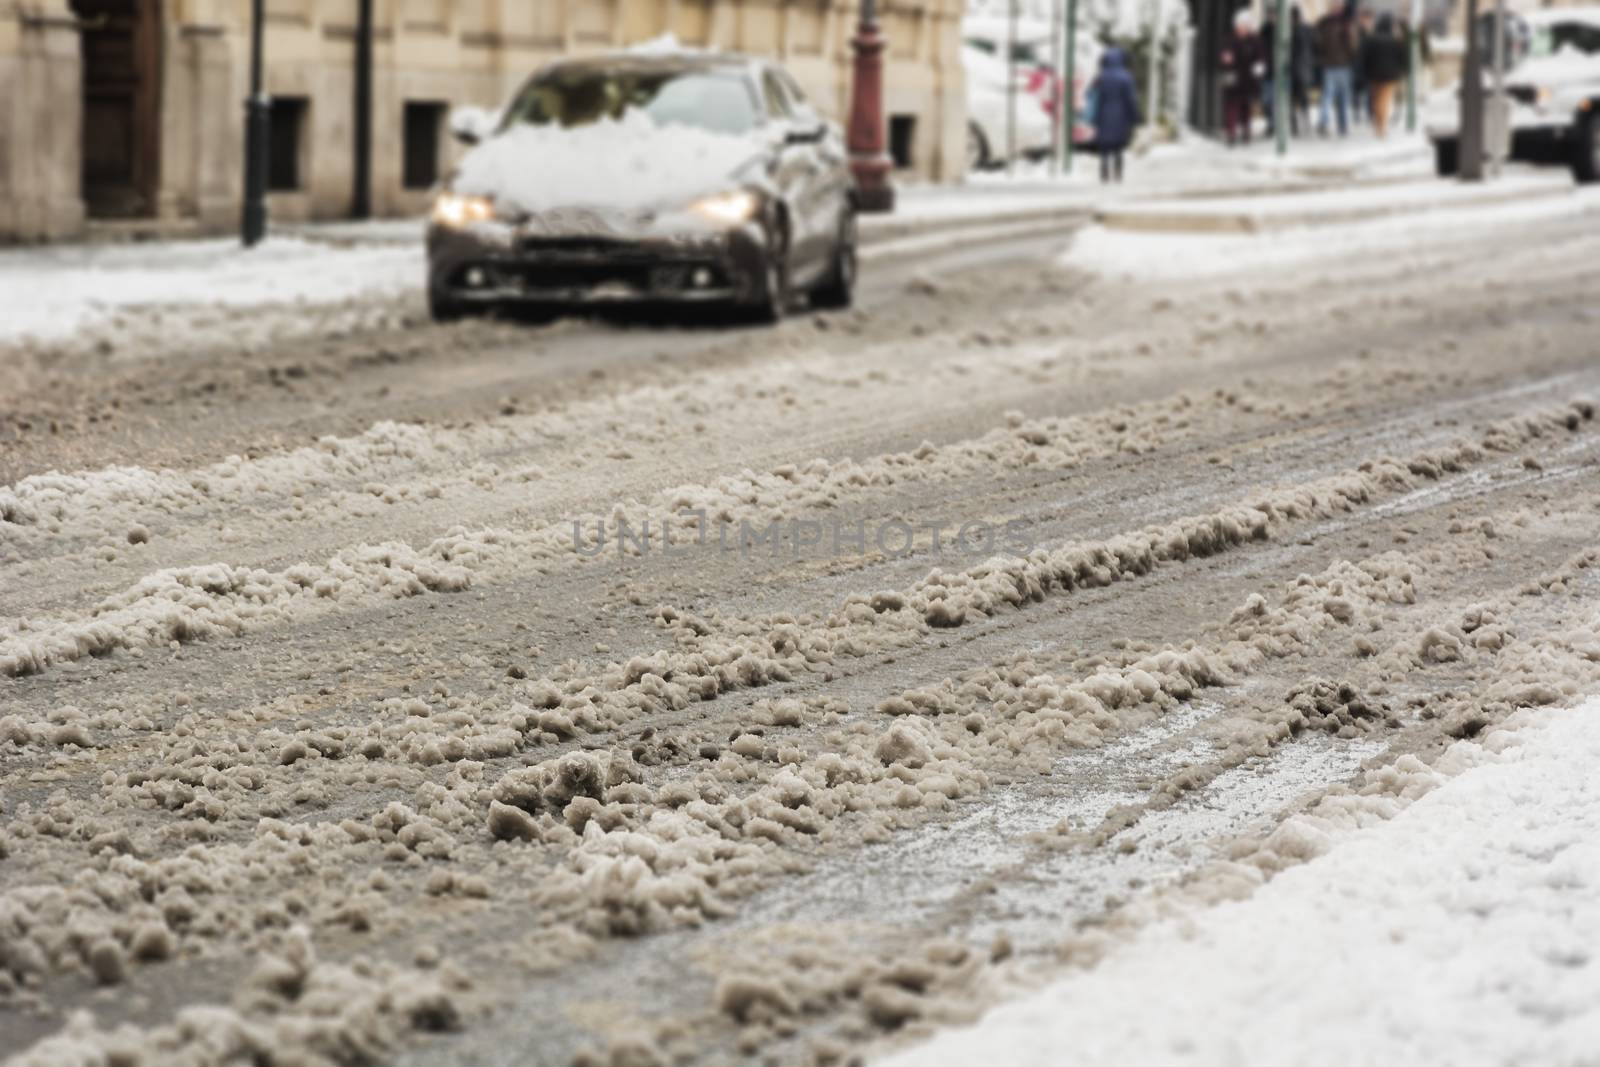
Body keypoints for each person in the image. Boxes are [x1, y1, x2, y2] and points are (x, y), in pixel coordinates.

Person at [1089, 47, 1140, 183]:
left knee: (1104, 145)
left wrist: (1094, 117)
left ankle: (1104, 169)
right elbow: (1130, 98)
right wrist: (1135, 116)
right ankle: (1118, 171)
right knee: (1118, 145)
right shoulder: (1126, 77)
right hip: (1121, 114)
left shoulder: (1101, 76)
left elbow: (1095, 96)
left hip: (1104, 112)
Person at [1360, 13, 1409, 137]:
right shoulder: (1395, 41)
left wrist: (1366, 71)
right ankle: (1381, 127)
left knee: (1376, 100)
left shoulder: (1371, 39)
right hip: (1390, 75)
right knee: (1385, 100)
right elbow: (1402, 57)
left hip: (1374, 74)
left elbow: (1365, 57)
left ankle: (1378, 123)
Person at [1221, 9, 1264, 146]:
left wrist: (1259, 67)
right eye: (1240, 25)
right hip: (1232, 77)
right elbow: (1223, 55)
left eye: (1245, 25)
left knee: (1246, 107)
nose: (1242, 28)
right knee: (1231, 106)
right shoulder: (1229, 39)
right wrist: (1225, 59)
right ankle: (1231, 134)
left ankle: (1246, 132)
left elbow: (1262, 57)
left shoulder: (1255, 40)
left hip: (1248, 79)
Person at [1314, 3, 1356, 136]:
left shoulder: (1323, 24)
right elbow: (1352, 47)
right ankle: (1341, 126)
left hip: (1330, 66)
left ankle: (1325, 122)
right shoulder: (1345, 25)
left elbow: (1318, 44)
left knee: (1328, 96)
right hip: (1342, 66)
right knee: (1342, 98)